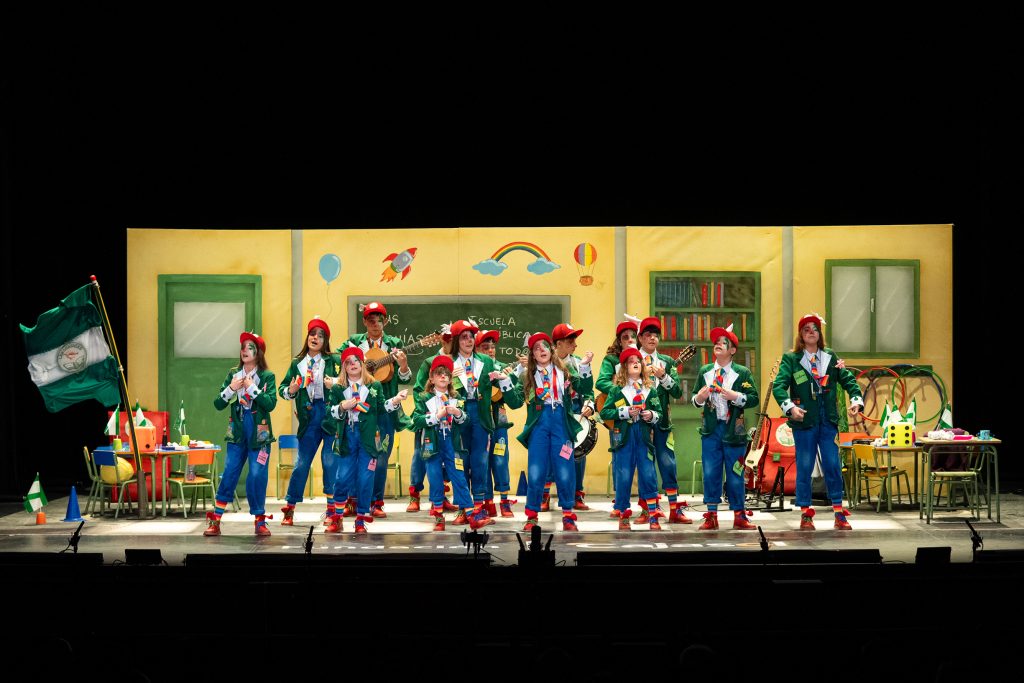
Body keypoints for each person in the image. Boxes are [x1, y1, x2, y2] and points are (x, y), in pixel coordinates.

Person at [772, 313, 863, 530]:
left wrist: (856, 399)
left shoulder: (830, 356)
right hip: (804, 421)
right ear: (801, 335)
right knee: (804, 466)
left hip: (827, 421)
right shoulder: (791, 359)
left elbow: (847, 379)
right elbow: (779, 386)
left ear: (820, 334)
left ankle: (839, 513)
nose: (811, 332)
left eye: (815, 329)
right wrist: (790, 408)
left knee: (833, 464)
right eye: (806, 329)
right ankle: (806, 513)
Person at [511, 331, 591, 532]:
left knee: (565, 470)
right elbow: (514, 402)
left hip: (561, 424)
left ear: (551, 349)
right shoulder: (527, 375)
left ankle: (568, 515)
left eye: (544, 346)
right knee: (536, 471)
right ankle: (531, 516)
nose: (541, 350)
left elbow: (584, 387)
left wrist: (584, 366)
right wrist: (505, 383)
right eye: (536, 348)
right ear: (532, 354)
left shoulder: (565, 369)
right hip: (539, 425)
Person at [325, 346, 408, 534]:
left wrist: (395, 400)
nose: (353, 364)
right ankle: (337, 518)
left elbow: (381, 408)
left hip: (369, 438)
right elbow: (328, 412)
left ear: (362, 364)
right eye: (348, 362)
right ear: (344, 367)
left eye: (356, 360)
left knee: (366, 479)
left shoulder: (374, 386)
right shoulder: (338, 388)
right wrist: (341, 406)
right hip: (347, 437)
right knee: (342, 477)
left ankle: (361, 519)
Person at [344, 301, 413, 519]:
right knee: (354, 455)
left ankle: (376, 502)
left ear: (386, 322)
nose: (375, 324)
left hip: (384, 410)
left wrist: (403, 366)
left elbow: (404, 379)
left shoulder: (394, 344)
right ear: (364, 321)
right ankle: (352, 500)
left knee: (381, 457)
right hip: (357, 409)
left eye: (379, 320)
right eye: (371, 320)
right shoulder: (354, 342)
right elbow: (340, 361)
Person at [204, 332, 277, 537]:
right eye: (243, 346)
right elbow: (218, 403)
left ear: (258, 352)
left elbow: (270, 404)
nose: (245, 350)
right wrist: (231, 388)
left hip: (259, 433)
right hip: (237, 431)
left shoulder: (267, 376)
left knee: (257, 475)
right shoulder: (233, 374)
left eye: (250, 347)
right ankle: (216, 520)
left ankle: (260, 520)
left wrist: (252, 388)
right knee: (229, 472)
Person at [410, 355, 492, 530]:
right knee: (435, 477)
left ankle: (471, 515)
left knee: (459, 476)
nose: (443, 376)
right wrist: (435, 416)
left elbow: (466, 421)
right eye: (439, 373)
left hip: (451, 442)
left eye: (446, 373)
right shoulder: (424, 397)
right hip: (432, 442)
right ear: (431, 378)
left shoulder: (457, 397)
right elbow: (416, 420)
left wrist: (458, 413)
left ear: (451, 378)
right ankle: (439, 517)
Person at [690, 324, 758, 531]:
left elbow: (753, 398)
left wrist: (736, 396)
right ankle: (711, 515)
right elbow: (694, 400)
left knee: (736, 472)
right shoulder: (705, 371)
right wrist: (700, 397)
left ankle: (739, 515)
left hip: (734, 431)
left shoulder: (742, 373)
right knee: (711, 472)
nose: (718, 344)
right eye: (717, 342)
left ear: (733, 350)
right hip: (711, 430)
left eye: (724, 342)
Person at [277, 316, 340, 525]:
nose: (315, 338)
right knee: (301, 463)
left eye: (321, 335)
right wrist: (292, 390)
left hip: (330, 415)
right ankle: (290, 508)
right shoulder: (297, 363)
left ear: (325, 340)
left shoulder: (333, 360)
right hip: (309, 416)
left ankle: (331, 510)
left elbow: (349, 380)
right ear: (307, 337)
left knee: (330, 462)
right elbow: (282, 389)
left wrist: (335, 383)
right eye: (313, 334)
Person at [600, 346, 663, 530]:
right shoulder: (617, 390)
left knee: (648, 474)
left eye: (638, 361)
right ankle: (623, 514)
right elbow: (605, 412)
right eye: (630, 361)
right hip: (624, 439)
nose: (635, 363)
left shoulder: (650, 390)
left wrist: (651, 415)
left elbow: (659, 413)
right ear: (624, 367)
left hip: (644, 438)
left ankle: (653, 515)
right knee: (624, 475)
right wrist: (624, 411)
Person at [449, 319, 505, 523]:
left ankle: (479, 507)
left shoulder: (486, 361)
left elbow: (500, 379)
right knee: (460, 461)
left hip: (480, 413)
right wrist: (449, 376)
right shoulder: (448, 362)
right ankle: (463, 508)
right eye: (464, 337)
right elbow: (435, 386)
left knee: (480, 461)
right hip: (458, 414)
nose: (469, 340)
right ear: (456, 340)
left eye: (471, 337)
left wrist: (504, 377)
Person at [637, 317, 692, 524]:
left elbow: (677, 392)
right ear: (640, 338)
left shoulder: (667, 362)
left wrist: (663, 377)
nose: (652, 338)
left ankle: (675, 510)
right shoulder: (632, 360)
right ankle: (648, 510)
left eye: (655, 335)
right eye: (648, 335)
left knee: (668, 463)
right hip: (640, 422)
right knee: (645, 465)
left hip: (663, 422)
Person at [406, 325, 457, 513]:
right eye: (447, 338)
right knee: (421, 456)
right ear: (441, 339)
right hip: (429, 418)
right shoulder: (429, 362)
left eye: (453, 339)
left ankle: (440, 498)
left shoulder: (461, 361)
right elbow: (419, 389)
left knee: (446, 459)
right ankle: (414, 495)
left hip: (449, 422)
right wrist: (432, 412)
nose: (450, 342)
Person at [595, 315, 642, 518]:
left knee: (645, 460)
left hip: (642, 416)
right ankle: (620, 502)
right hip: (618, 413)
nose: (630, 339)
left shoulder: (642, 359)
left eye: (633, 336)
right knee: (620, 457)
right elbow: (601, 382)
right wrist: (621, 389)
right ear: (619, 341)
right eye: (625, 337)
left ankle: (648, 504)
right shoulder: (611, 360)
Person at [476, 329, 526, 517]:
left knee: (500, 459)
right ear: (476, 349)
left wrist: (515, 373)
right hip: (481, 421)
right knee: (482, 462)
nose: (490, 350)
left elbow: (510, 395)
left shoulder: (504, 367)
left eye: (492, 347)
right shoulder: (473, 369)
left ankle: (504, 501)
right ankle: (488, 502)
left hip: (499, 421)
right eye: (485, 347)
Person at [551, 323, 596, 511]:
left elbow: (589, 391)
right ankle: (545, 494)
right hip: (554, 413)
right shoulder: (546, 362)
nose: (575, 345)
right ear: (558, 344)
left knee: (576, 453)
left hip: (576, 414)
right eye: (570, 341)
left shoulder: (579, 362)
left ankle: (577, 494)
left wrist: (590, 405)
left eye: (575, 341)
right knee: (550, 453)